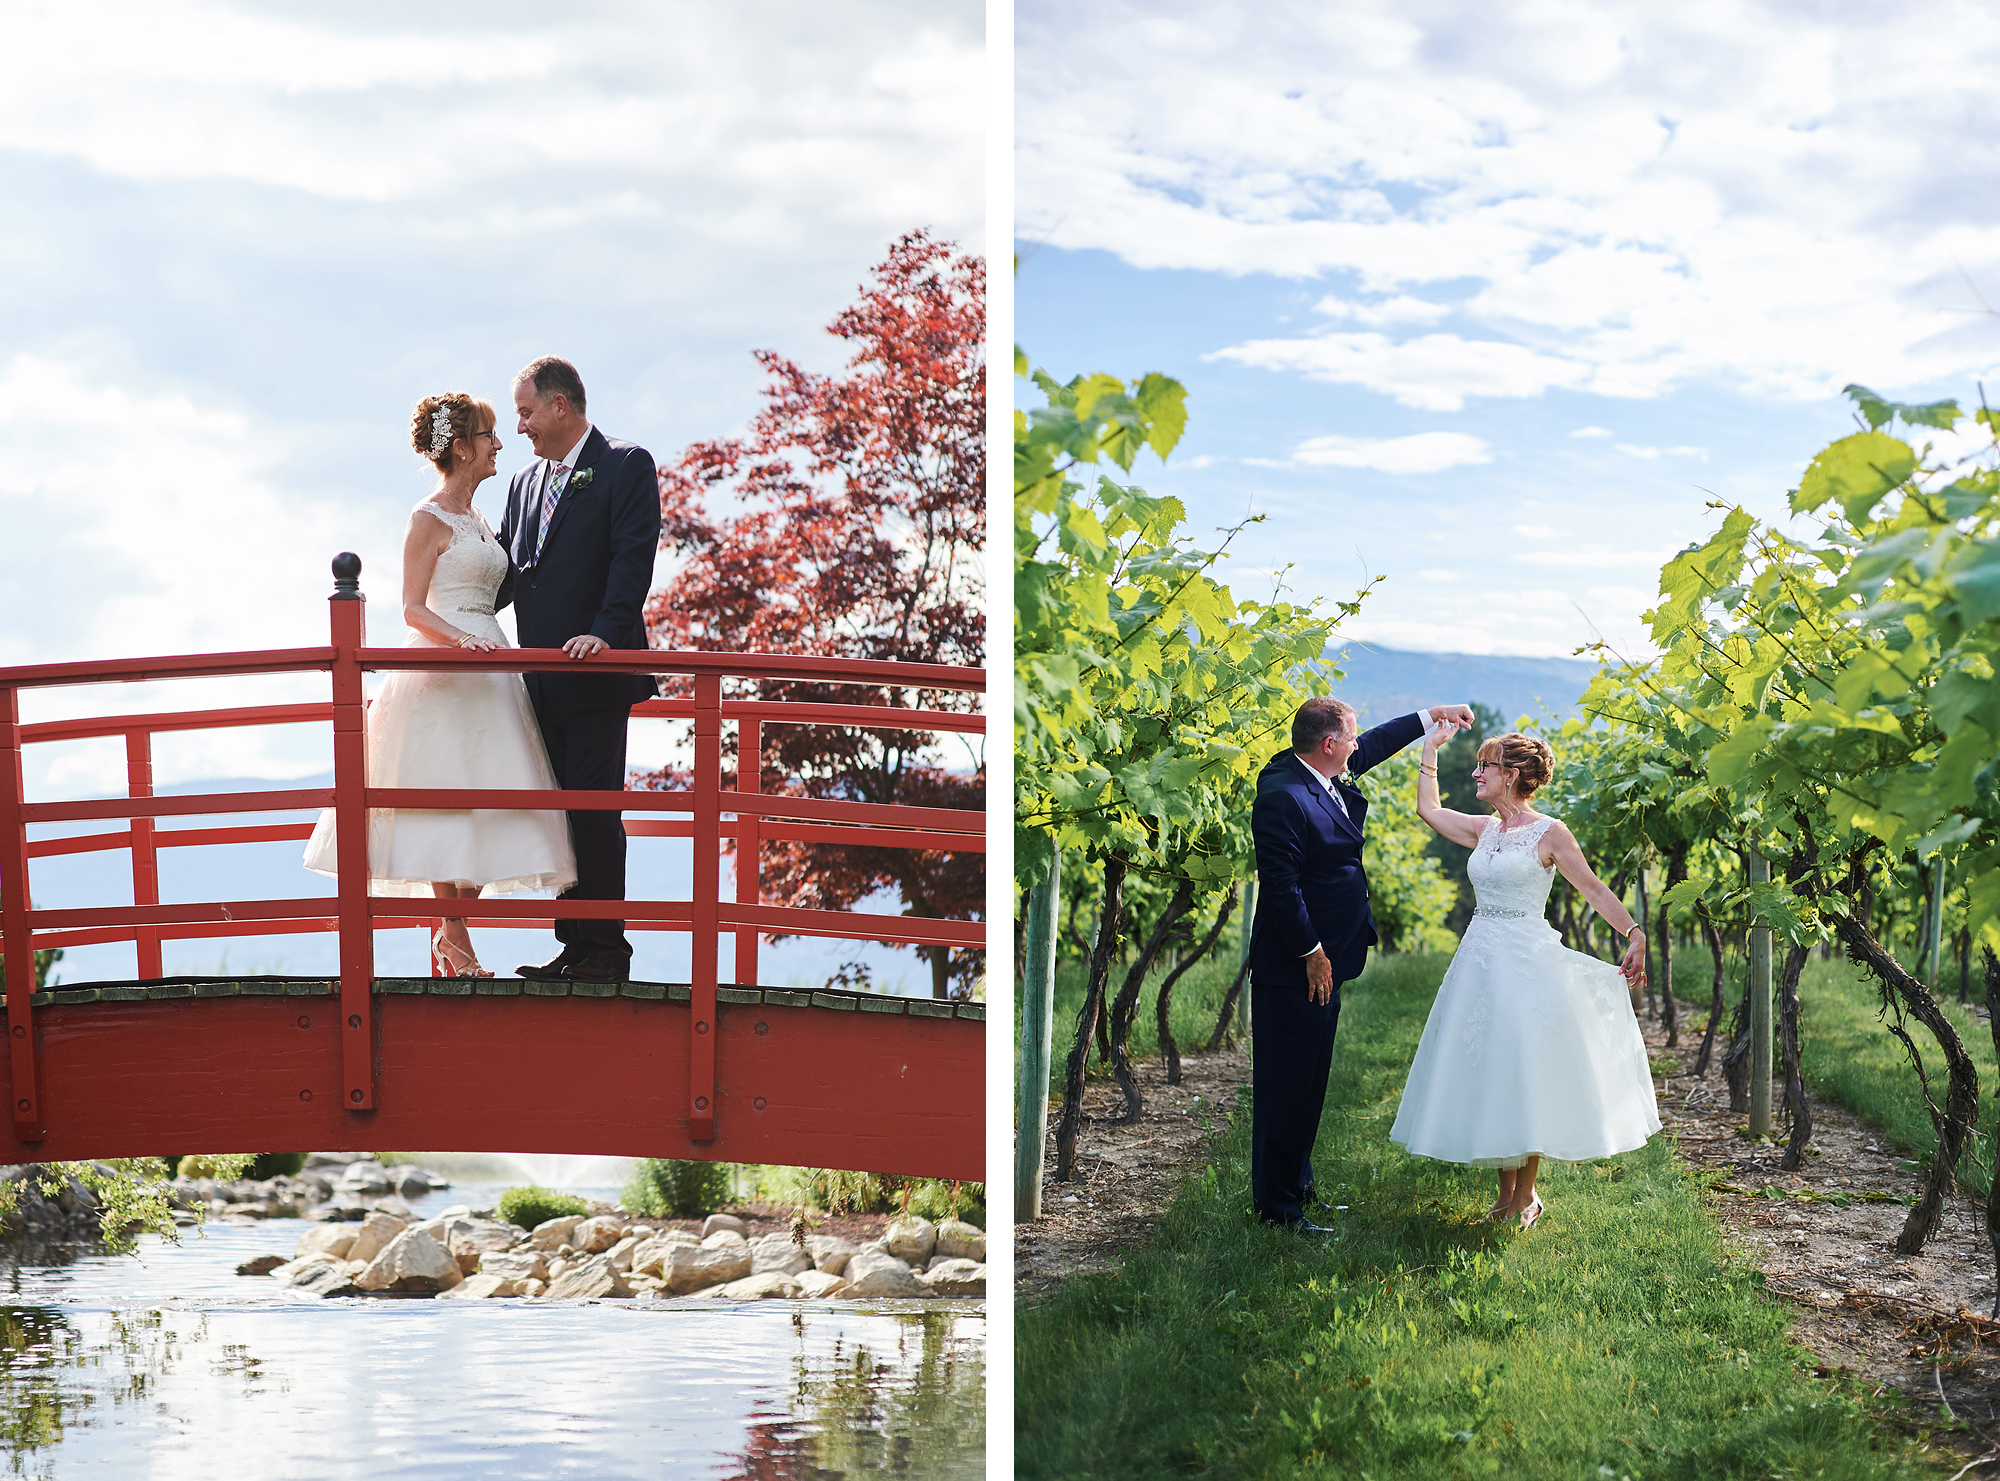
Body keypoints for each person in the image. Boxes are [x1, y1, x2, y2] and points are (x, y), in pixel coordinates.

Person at [304, 393, 575, 976]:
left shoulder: (477, 518)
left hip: (490, 669)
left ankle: (450, 934)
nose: (499, 444)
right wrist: (461, 641)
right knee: (443, 800)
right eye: (489, 435)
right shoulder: (425, 518)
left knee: (491, 800)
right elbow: (410, 608)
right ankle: (457, 940)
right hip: (444, 667)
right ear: (461, 446)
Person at [1390, 726, 1659, 1229]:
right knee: (1493, 1068)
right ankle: (1505, 1195)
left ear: (1510, 775)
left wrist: (1635, 933)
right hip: (1479, 960)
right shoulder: (1484, 829)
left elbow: (1594, 891)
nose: (1475, 773)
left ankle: (1526, 1195)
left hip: (1528, 961)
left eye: (1484, 766)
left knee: (1524, 1068)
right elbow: (1428, 810)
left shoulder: (1550, 833)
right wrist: (1428, 750)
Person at [1246, 694, 1476, 1232]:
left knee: (1310, 1084)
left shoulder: (1315, 771)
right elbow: (1281, 889)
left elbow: (1371, 747)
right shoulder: (1284, 795)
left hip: (1330, 963)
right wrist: (1312, 954)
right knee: (1285, 1089)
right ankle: (1278, 1211)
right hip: (1297, 968)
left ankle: (1297, 1188)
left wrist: (1428, 717)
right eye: (1350, 738)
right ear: (1328, 745)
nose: (1357, 745)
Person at [495, 357, 660, 984]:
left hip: (595, 672)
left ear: (560, 406)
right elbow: (511, 574)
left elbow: (631, 560)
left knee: (594, 810)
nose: (520, 428)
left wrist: (604, 633)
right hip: (539, 679)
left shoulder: (625, 464)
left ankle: (607, 951)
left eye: (526, 413)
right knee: (558, 811)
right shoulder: (523, 483)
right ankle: (573, 944)